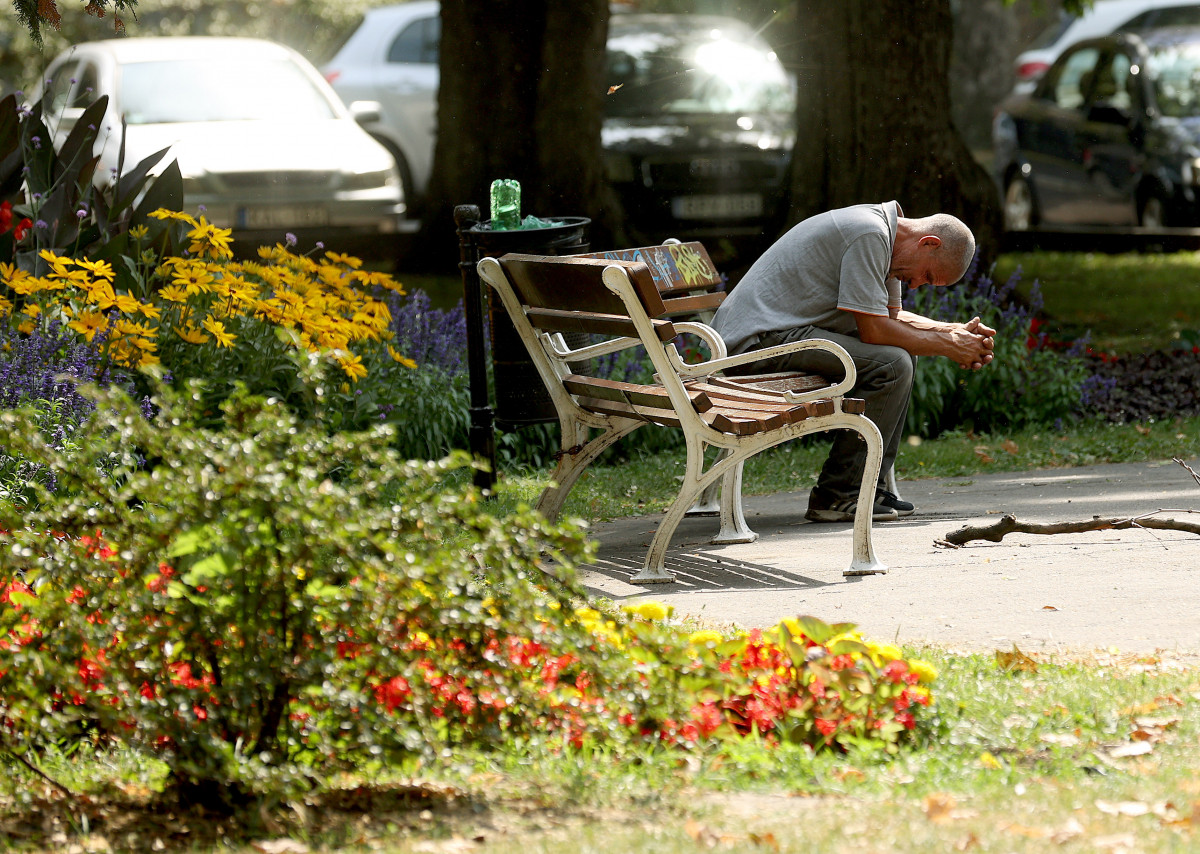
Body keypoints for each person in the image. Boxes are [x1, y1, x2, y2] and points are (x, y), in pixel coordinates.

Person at [711, 201, 995, 523]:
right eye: (926, 276)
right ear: (928, 243)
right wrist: (948, 345)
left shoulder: (886, 238)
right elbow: (874, 331)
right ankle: (838, 494)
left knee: (904, 357)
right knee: (892, 366)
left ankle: (867, 485)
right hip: (756, 343)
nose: (916, 284)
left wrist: (952, 331)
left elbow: (890, 317)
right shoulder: (870, 234)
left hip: (781, 333)